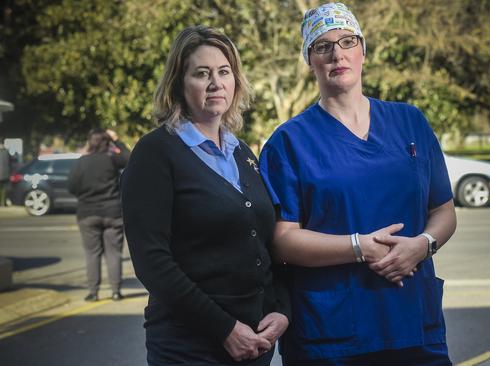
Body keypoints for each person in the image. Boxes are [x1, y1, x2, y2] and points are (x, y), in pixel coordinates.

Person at [259, 3, 457, 365]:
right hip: (332, 336)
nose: (337, 54)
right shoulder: (288, 142)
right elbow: (281, 240)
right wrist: (358, 247)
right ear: (310, 61)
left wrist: (422, 245)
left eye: (347, 41)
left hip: (415, 324)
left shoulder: (410, 122)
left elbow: (443, 210)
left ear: (363, 51)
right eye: (322, 46)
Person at [120, 25, 290, 366]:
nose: (216, 83)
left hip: (255, 344)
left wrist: (281, 309)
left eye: (224, 72)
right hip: (189, 347)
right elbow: (152, 262)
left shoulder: (242, 153)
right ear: (179, 85)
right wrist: (225, 329)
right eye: (202, 73)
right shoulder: (155, 152)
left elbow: (267, 243)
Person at [68, 128, 129, 302]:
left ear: (89, 142)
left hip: (87, 213)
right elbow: (129, 158)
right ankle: (116, 291)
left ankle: (93, 292)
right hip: (112, 213)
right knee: (114, 253)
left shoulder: (81, 162)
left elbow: (71, 186)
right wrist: (117, 140)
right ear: (107, 143)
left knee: (92, 253)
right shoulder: (111, 160)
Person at [0, 139, 11, 206]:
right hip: (5, 174)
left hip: (4, 174)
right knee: (4, 190)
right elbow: (11, 161)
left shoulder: (6, 152)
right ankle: (3, 203)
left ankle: (2, 202)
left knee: (2, 190)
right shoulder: (6, 152)